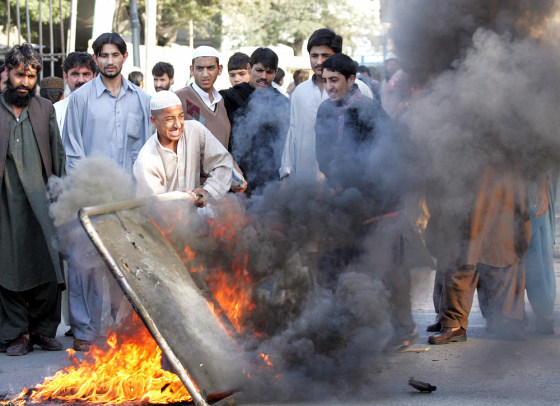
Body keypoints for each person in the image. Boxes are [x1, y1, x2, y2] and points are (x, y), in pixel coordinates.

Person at [314, 53, 427, 352]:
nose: (329, 87)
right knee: (343, 263)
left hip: (380, 202)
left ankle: (405, 328)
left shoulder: (370, 111)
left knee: (390, 266)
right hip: (346, 201)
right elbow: (323, 153)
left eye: (334, 80)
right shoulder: (325, 110)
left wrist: (358, 186)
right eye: (325, 81)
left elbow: (386, 157)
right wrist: (335, 181)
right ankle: (352, 328)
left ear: (351, 81)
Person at [63, 32, 152, 351]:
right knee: (84, 265)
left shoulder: (141, 99)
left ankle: (121, 330)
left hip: (127, 197)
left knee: (124, 265)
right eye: (104, 55)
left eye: (116, 55)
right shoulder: (80, 98)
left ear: (125, 57)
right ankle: (85, 332)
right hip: (91, 196)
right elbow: (72, 150)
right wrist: (83, 193)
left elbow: (146, 151)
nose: (110, 61)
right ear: (96, 58)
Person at [0, 43, 66, 356]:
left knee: (47, 265)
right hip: (5, 201)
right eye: (19, 75)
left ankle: (42, 331)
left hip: (41, 199)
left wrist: (61, 195)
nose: (25, 82)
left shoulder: (44, 109)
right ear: (7, 74)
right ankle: (16, 334)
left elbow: (58, 155)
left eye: (31, 75)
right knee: (8, 267)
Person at [279, 28, 373, 182]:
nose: (319, 62)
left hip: (349, 184)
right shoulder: (300, 92)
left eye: (325, 56)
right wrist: (286, 172)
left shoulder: (361, 90)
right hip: (305, 182)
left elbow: (372, 140)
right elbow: (293, 132)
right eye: (314, 56)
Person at [133, 91, 232, 204]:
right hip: (166, 219)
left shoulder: (195, 130)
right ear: (154, 121)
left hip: (197, 217)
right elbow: (158, 207)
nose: (178, 125)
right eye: (169, 119)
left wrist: (207, 192)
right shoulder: (146, 160)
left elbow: (223, 162)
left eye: (180, 116)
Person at [175, 46, 247, 192]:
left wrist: (235, 173)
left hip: (218, 188)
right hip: (190, 189)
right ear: (191, 69)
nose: (205, 74)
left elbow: (222, 148)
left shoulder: (222, 102)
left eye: (210, 68)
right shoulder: (179, 99)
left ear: (219, 70)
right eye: (200, 68)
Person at [220, 47, 289, 194]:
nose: (263, 76)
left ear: (275, 73)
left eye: (269, 72)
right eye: (259, 70)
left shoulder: (282, 103)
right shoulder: (228, 98)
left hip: (269, 184)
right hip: (236, 181)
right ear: (249, 68)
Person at [54, 52, 97, 132]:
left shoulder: (106, 108)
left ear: (94, 77)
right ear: (66, 77)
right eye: (75, 74)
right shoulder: (56, 111)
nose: (80, 80)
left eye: (86, 74)